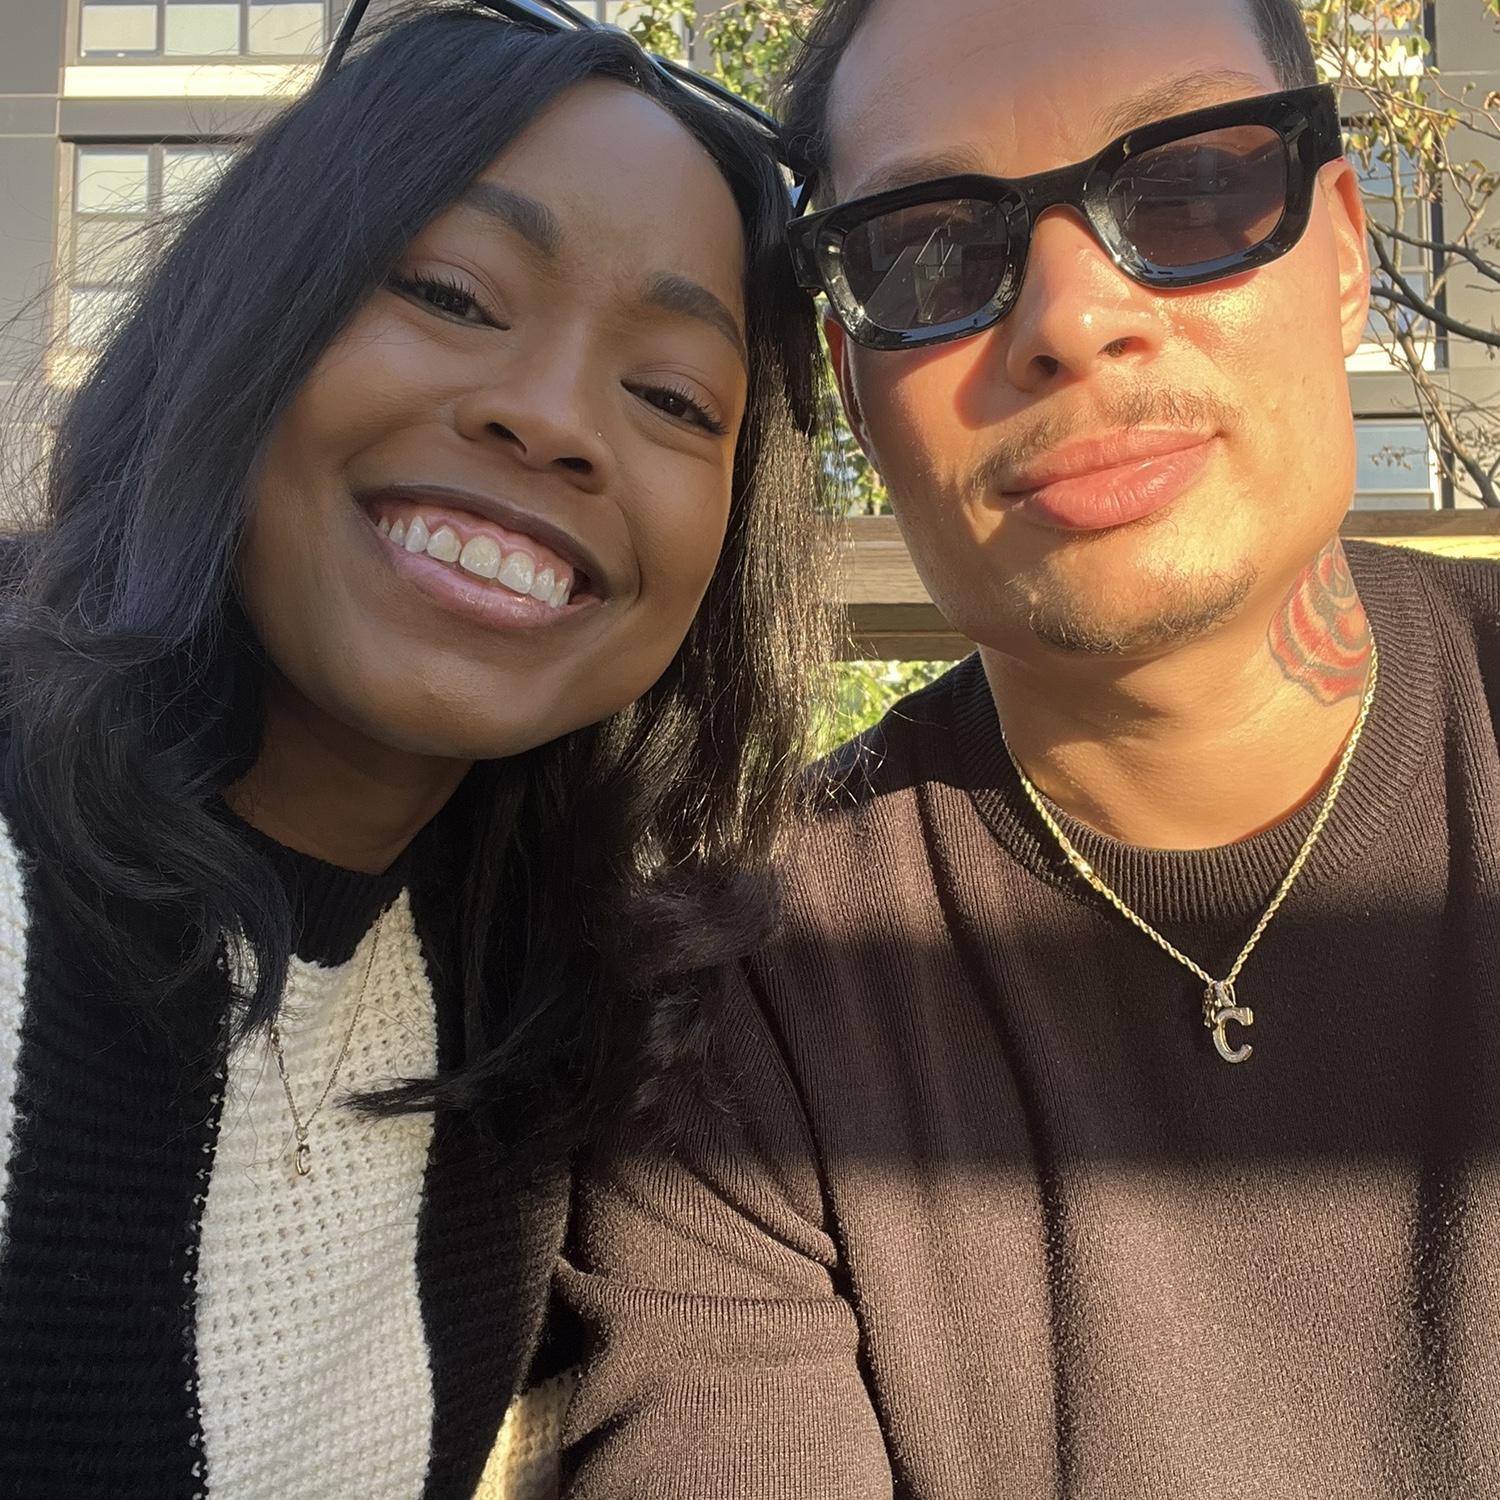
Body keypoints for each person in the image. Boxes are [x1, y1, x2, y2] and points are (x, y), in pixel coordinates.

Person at [558, 0, 1500, 1494]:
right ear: (849, 377)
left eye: (1190, 187)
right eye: (931, 250)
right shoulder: (744, 1006)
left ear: (1341, 251)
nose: (1069, 319)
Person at [0, 3, 828, 1495]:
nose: (552, 418)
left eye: (670, 396)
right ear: (247, 310)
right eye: (452, 292)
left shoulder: (539, 1029)